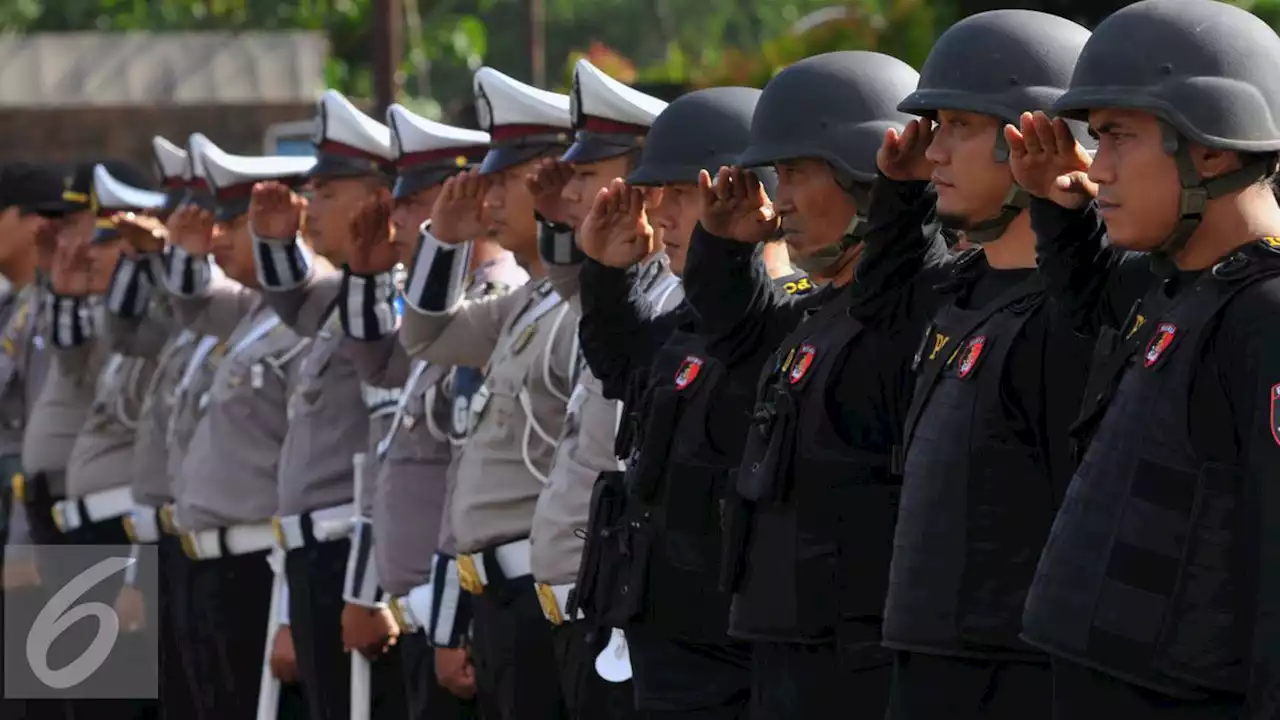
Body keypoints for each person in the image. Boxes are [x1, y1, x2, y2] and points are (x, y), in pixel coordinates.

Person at [1002, 0, 1280, 716]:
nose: (1097, 166)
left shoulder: (1264, 317)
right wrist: (1060, 215)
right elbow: (1086, 306)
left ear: (1212, 148)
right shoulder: (1179, 288)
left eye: (1119, 137)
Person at [679, 51, 945, 718]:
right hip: (784, 644)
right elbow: (734, 339)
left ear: (864, 177)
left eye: (797, 173)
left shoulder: (920, 304)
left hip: (858, 659)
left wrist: (901, 199)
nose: (781, 197)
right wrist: (722, 244)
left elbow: (897, 287)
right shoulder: (815, 310)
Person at [877, 11, 1094, 719]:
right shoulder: (957, 292)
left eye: (959, 128)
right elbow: (874, 310)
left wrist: (1059, 205)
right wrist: (897, 198)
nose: (933, 152)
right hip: (926, 658)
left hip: (1016, 674)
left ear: (1030, 138)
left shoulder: (1089, 305)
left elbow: (1080, 316)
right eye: (933, 127)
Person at [573, 85, 811, 719]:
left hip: (732, 655)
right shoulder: (686, 321)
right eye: (661, 197)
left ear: (743, 191)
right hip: (664, 643)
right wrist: (604, 274)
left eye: (682, 194)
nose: (664, 217)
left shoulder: (792, 316)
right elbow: (624, 366)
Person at [398, 64, 576, 720]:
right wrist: (444, 239)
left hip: (543, 591)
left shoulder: (582, 306)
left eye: (504, 181)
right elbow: (426, 335)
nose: (489, 200)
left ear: (557, 181)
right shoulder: (530, 301)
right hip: (494, 595)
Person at [248, 88, 410, 720]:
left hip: (353, 556)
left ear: (377, 198)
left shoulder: (387, 304)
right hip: (313, 557)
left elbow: (389, 447)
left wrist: (366, 587)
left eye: (326, 193)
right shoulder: (342, 298)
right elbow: (293, 294)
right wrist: (277, 239)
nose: (310, 205)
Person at [339, 101, 504, 720]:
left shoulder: (493, 304)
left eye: (414, 202)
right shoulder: (441, 314)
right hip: (416, 612)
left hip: (453, 614)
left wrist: (450, 625)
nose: (397, 216)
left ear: (466, 200)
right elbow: (379, 371)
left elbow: (471, 481)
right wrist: (365, 273)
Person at [525, 57, 678, 719]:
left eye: (590, 176)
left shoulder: (676, 296)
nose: (577, 192)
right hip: (580, 602)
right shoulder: (624, 291)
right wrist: (563, 224)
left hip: (628, 608)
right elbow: (589, 296)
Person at [160, 135, 313, 719]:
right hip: (202, 559)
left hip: (261, 571)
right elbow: (187, 301)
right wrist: (183, 252)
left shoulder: (306, 318)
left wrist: (287, 614)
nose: (215, 237)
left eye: (234, 222)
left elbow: (315, 475)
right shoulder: (249, 315)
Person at [0, 159, 66, 720]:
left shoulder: (55, 317)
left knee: (51, 696)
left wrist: (23, 542)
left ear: (30, 223)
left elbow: (44, 438)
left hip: (47, 529)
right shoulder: (14, 309)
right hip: (21, 524)